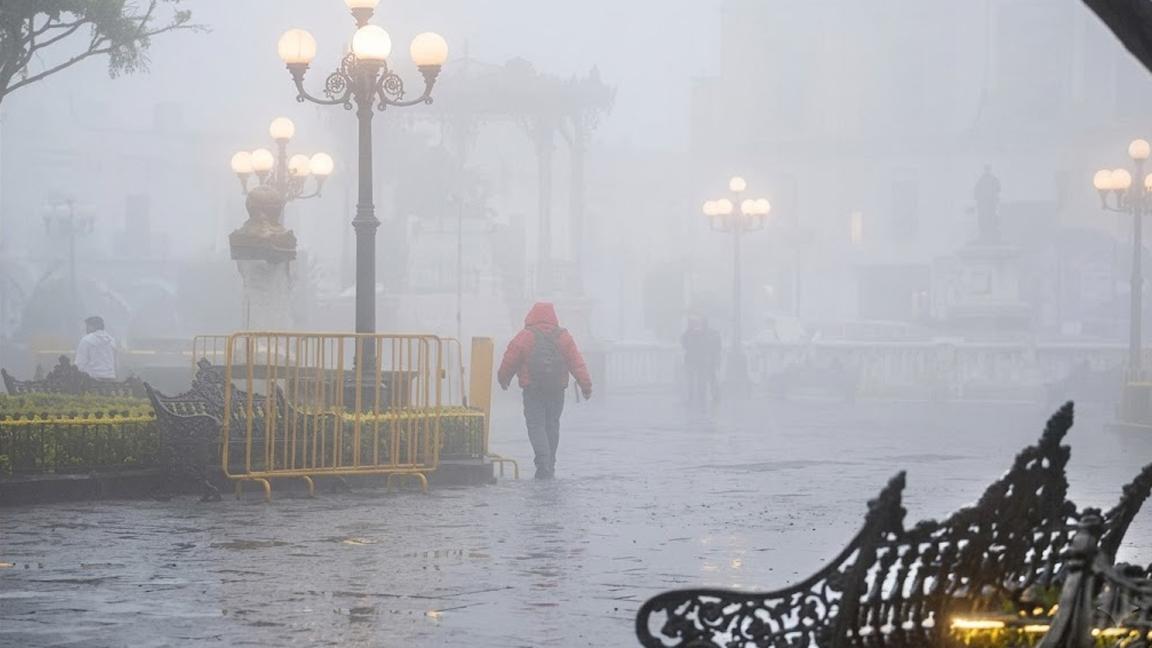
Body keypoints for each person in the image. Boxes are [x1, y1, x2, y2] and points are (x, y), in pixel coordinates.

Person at [498, 302, 592, 479]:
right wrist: (585, 386)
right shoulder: (563, 337)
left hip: (533, 390)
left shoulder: (526, 336)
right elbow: (576, 362)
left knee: (536, 425)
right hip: (557, 390)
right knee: (552, 425)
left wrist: (503, 379)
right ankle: (551, 463)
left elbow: (510, 359)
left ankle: (543, 462)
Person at [681, 316, 721, 409]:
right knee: (708, 379)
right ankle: (712, 397)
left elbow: (686, 345)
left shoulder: (696, 334)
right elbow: (717, 347)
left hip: (700, 360)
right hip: (705, 360)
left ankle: (700, 397)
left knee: (702, 380)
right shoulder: (710, 333)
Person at [75, 315, 117, 380]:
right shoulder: (112, 340)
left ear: (92, 327)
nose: (86, 329)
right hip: (110, 378)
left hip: (92, 379)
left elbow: (80, 363)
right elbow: (116, 362)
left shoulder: (86, 340)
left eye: (87, 326)